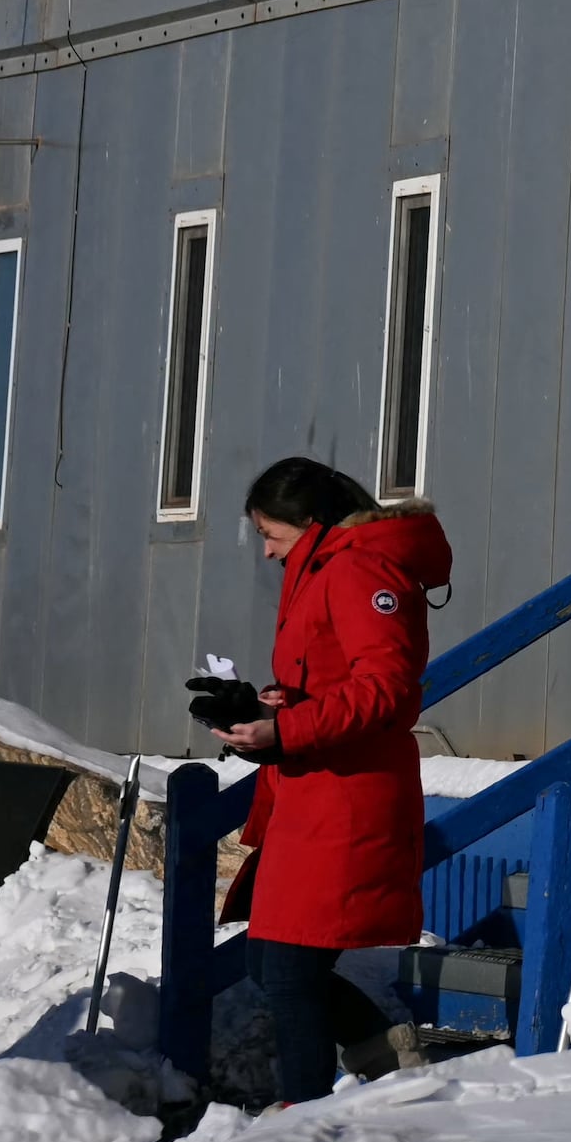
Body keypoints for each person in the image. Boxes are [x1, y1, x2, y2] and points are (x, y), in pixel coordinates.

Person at [209, 454, 449, 1108]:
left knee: (290, 963)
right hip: (314, 787)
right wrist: (273, 707)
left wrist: (285, 731)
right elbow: (340, 678)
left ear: (309, 524)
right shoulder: (322, 566)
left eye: (272, 536)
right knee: (272, 959)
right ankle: (382, 1053)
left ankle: (305, 1112)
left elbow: (387, 690)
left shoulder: (357, 568)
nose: (265, 553)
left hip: (347, 792)